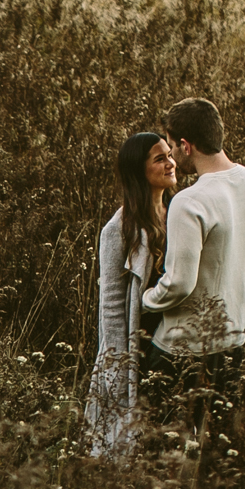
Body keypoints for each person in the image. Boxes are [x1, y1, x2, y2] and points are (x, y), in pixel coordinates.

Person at [139, 98, 245, 438]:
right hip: (232, 344)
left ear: (186, 145)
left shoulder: (190, 200)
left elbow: (179, 283)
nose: (172, 156)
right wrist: (239, 285)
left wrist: (146, 300)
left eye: (172, 146)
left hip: (180, 350)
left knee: (160, 454)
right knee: (216, 454)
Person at [86, 130, 176, 457]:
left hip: (176, 340)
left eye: (170, 154)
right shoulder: (118, 228)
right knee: (131, 441)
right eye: (160, 158)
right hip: (141, 343)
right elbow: (110, 304)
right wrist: (117, 366)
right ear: (140, 171)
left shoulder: (180, 213)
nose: (170, 163)